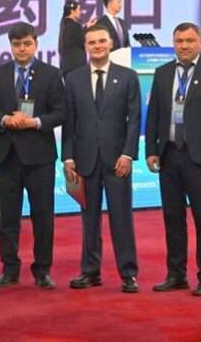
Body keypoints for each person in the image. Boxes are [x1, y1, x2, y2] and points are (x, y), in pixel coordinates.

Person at [0, 22, 65, 290]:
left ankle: (43, 270)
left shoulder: (51, 74)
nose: (22, 49)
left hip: (40, 157)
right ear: (11, 46)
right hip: (8, 156)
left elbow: (61, 112)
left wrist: (34, 122)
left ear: (35, 44)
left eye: (27, 43)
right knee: (8, 217)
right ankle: (9, 269)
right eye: (17, 44)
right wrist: (5, 119)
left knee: (43, 216)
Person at [62, 24, 141, 293]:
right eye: (92, 42)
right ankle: (90, 271)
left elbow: (134, 119)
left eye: (101, 41)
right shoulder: (73, 79)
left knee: (122, 218)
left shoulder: (128, 76)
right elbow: (69, 122)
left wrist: (128, 154)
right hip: (84, 161)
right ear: (85, 46)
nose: (97, 46)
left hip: (118, 161)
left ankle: (128, 274)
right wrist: (68, 157)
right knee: (89, 219)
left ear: (111, 44)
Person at [145, 22, 201, 297]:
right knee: (173, 218)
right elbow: (154, 114)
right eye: (179, 41)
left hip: (200, 158)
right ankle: (176, 274)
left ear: (200, 42)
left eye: (189, 40)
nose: (184, 45)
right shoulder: (162, 73)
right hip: (169, 155)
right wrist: (151, 150)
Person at [57, 0, 96, 77]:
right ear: (72, 11)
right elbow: (83, 40)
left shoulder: (65, 25)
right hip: (76, 67)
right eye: (79, 9)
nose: (80, 12)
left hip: (66, 67)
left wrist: (86, 27)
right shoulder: (75, 26)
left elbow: (77, 37)